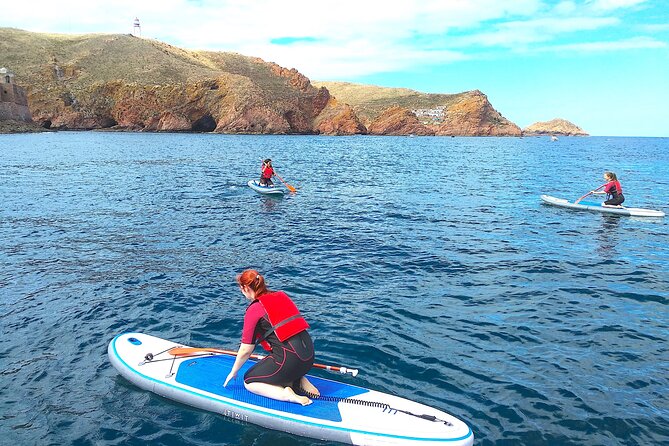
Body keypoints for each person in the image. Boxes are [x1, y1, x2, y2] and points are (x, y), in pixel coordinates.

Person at [223, 269, 319, 406]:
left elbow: (245, 349)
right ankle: (299, 379)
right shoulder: (281, 295)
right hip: (309, 357)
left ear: (245, 288)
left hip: (290, 361)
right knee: (282, 359)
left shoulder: (254, 309)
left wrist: (233, 372)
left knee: (249, 381)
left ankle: (288, 395)